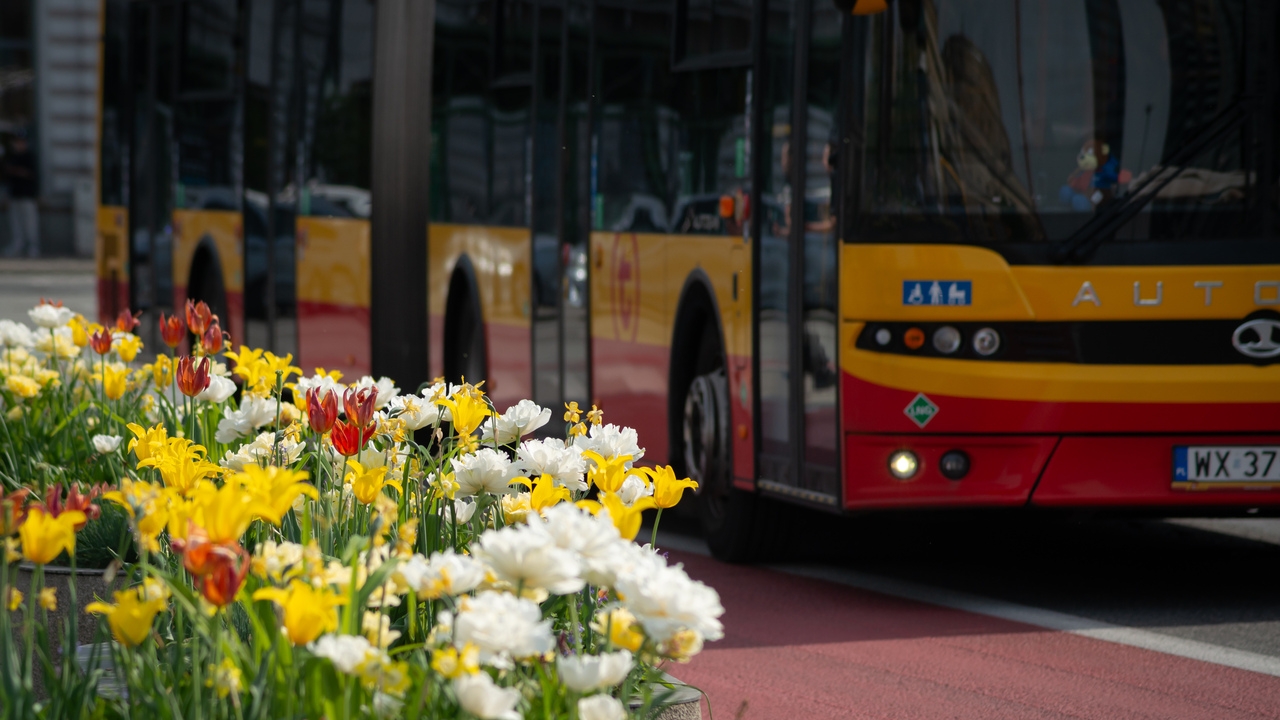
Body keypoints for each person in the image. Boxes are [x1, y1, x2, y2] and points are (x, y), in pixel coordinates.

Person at [4, 131, 39, 258]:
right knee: (16, 224)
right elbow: (8, 176)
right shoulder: (12, 157)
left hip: (28, 195)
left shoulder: (29, 157)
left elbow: (31, 175)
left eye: (21, 142)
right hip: (15, 195)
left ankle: (32, 247)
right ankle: (18, 245)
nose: (19, 145)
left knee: (30, 223)